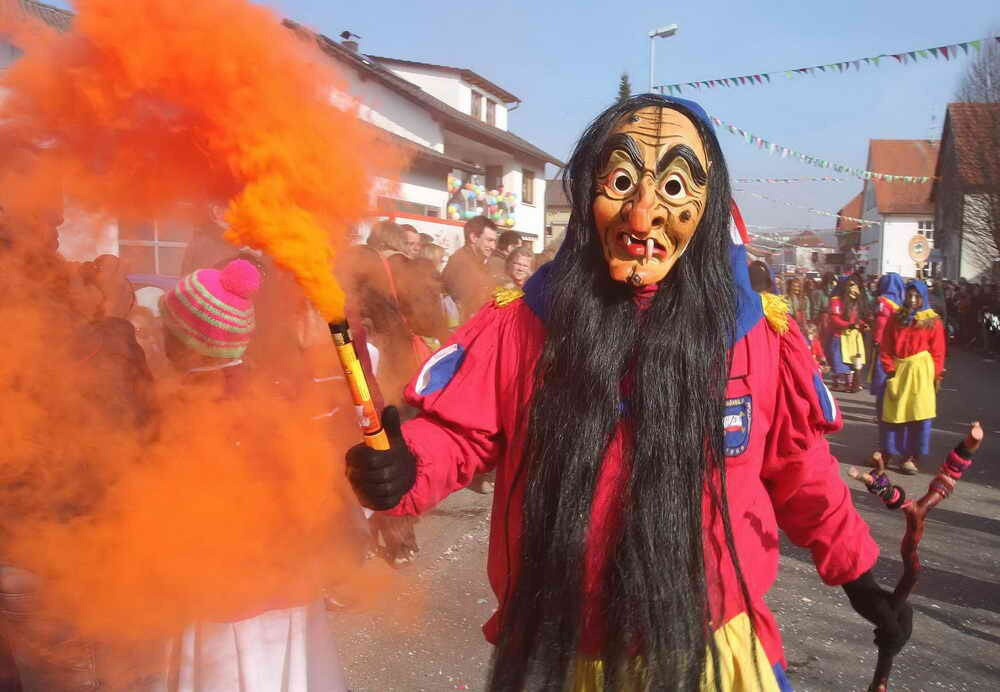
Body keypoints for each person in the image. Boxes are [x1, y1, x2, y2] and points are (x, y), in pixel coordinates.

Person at [344, 95, 909, 691]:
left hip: (714, 655)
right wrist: (406, 466)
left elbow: (800, 468)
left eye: (672, 188)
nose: (642, 218)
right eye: (620, 181)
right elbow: (460, 434)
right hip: (563, 656)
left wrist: (861, 578)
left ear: (709, 206)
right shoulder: (525, 325)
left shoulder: (755, 336)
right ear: (589, 195)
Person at [159, 259, 349, 691]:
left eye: (165, 325)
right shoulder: (269, 391)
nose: (157, 333)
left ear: (186, 342)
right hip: (288, 583)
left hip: (224, 595)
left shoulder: (189, 404)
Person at [879, 280, 946, 475]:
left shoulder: (932, 320)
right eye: (910, 295)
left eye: (917, 296)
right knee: (893, 414)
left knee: (918, 415)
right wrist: (889, 368)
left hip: (921, 373)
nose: (912, 299)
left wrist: (934, 375)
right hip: (899, 370)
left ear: (923, 297)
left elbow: (938, 352)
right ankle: (888, 452)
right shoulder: (896, 317)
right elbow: (886, 345)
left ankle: (910, 456)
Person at [440, 215, 498, 321]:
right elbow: (468, 306)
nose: (493, 247)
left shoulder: (478, 262)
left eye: (494, 241)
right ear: (474, 238)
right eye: (489, 240)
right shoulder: (461, 264)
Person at [869, 273, 904, 412]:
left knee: (883, 378)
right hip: (899, 346)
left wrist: (877, 340)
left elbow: (880, 323)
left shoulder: (883, 302)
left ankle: (882, 411)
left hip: (884, 345)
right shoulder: (902, 303)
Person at [828, 274, 868, 392]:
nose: (854, 289)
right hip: (839, 336)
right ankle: (839, 382)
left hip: (852, 336)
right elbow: (835, 320)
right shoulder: (836, 302)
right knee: (839, 360)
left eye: (856, 286)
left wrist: (862, 324)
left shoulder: (854, 303)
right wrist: (849, 325)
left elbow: (855, 318)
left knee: (853, 360)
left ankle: (851, 383)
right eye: (851, 286)